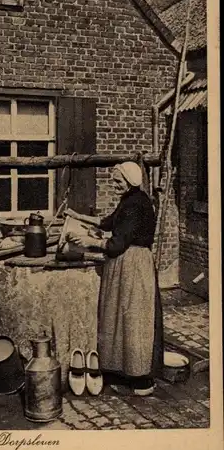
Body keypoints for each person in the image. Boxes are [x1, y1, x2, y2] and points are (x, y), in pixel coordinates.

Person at [66, 161, 164, 396]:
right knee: (121, 317)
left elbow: (117, 243)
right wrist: (78, 216)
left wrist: (90, 242)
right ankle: (125, 372)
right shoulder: (132, 199)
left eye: (118, 181)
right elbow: (109, 222)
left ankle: (140, 379)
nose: (114, 184)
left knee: (133, 320)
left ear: (130, 181)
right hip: (127, 263)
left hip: (133, 265)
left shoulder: (135, 205)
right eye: (114, 180)